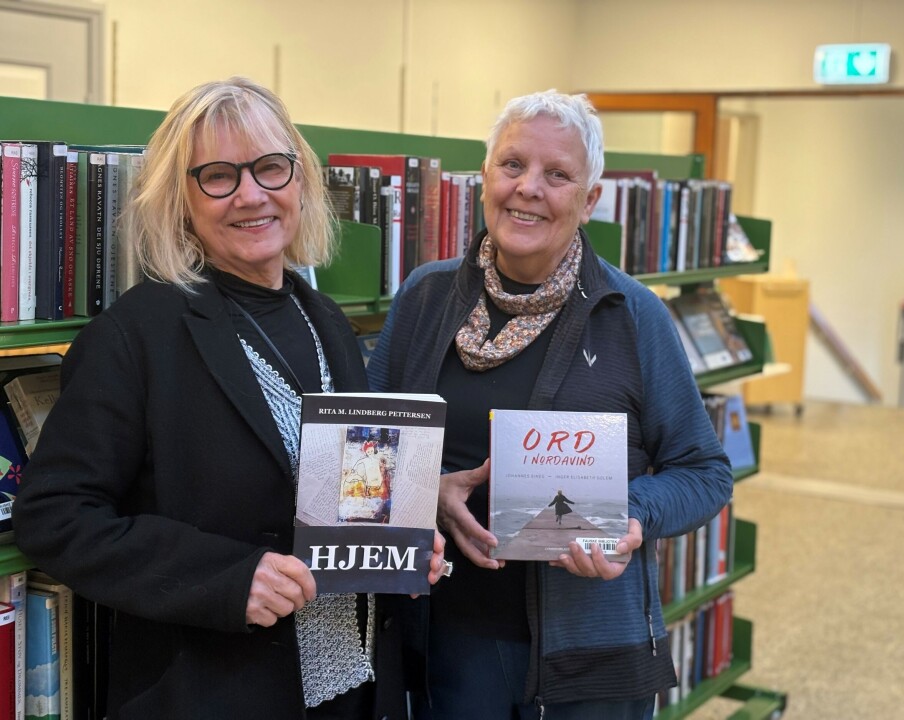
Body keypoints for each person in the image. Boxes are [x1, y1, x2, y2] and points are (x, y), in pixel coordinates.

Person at [13, 77, 445, 720]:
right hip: (216, 689)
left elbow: (347, 487)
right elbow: (55, 517)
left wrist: (399, 540)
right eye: (218, 176)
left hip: (349, 684)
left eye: (271, 168)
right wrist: (227, 577)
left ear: (299, 180)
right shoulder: (136, 335)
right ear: (180, 200)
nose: (252, 195)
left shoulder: (326, 319)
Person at [367, 90, 733, 719]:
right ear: (486, 178)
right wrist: (428, 491)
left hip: (590, 656)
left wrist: (630, 514)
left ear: (589, 200)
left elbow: (706, 473)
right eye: (512, 165)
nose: (528, 188)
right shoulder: (424, 298)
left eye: (557, 174)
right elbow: (364, 453)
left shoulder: (633, 315)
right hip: (448, 647)